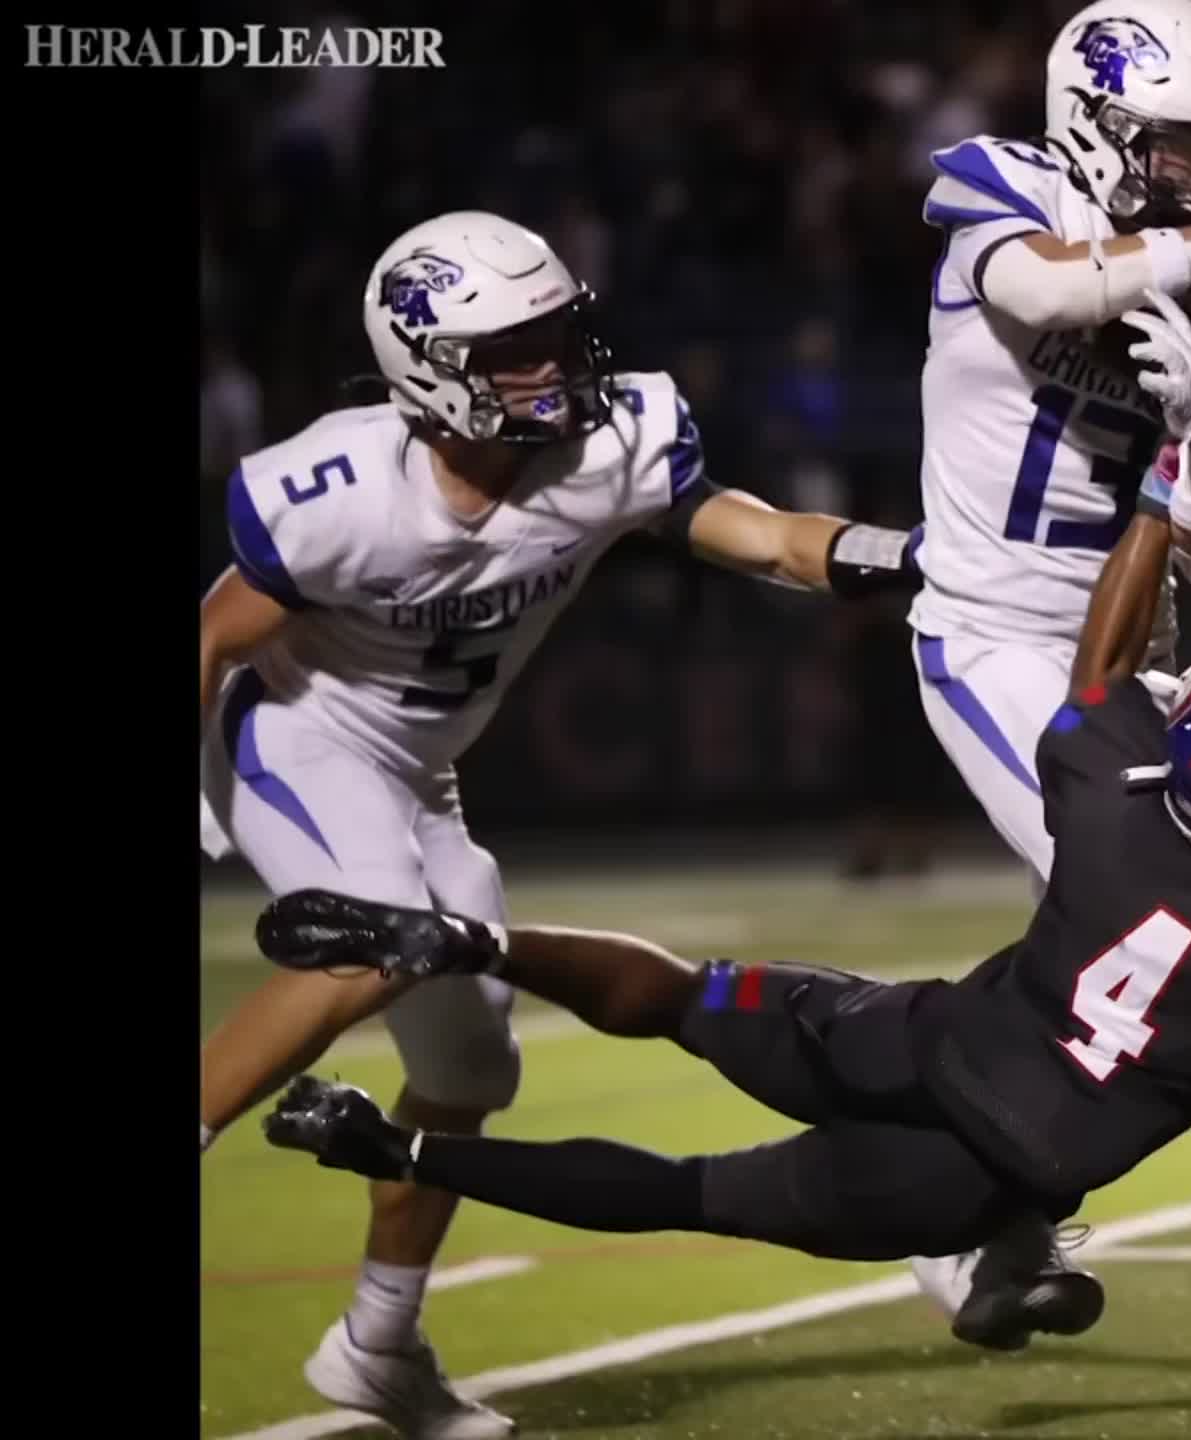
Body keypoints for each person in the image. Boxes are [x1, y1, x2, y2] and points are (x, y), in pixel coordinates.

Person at [256, 293, 1191, 1438]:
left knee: (688, 998)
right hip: (972, 1172)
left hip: (909, 1036)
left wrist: (1155, 490)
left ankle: (481, 947)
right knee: (692, 1192)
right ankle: (397, 1149)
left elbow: (1093, 655)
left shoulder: (1109, 789)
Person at [199, 209, 919, 1439]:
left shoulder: (610, 446)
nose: (553, 367)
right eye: (514, 348)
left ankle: (378, 1342)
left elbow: (763, 538)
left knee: (472, 1066)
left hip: (425, 771)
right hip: (304, 734)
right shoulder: (335, 490)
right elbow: (215, 640)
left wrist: (900, 553)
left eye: (554, 333)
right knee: (380, 939)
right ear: (429, 370)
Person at [905, 0, 1191, 886]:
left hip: (1144, 647)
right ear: (1095, 129)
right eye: (1184, 147)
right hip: (998, 630)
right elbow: (1048, 293)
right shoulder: (1015, 190)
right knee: (1130, 889)